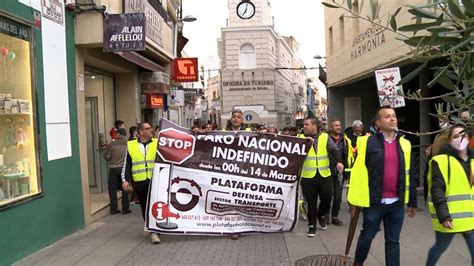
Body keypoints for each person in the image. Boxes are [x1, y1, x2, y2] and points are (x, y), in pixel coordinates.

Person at [348, 106, 417, 266]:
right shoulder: (367, 143)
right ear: (378, 123)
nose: (392, 119)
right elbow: (358, 173)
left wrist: (412, 201)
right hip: (374, 202)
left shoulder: (404, 143)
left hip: (396, 203)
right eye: (387, 116)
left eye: (393, 116)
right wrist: (354, 201)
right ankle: (358, 262)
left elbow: (410, 174)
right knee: (367, 236)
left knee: (393, 241)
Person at [425, 125, 473, 266]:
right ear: (449, 141)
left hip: (470, 219)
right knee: (439, 248)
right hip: (450, 218)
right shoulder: (441, 161)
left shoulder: (473, 161)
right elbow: (437, 190)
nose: (460, 139)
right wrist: (444, 215)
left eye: (463, 135)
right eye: (455, 136)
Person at [301, 117, 344, 237]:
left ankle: (321, 215)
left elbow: (334, 150)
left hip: (324, 175)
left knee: (327, 198)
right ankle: (312, 226)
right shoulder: (300, 139)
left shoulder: (325, 137)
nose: (304, 126)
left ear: (314, 126)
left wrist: (338, 162)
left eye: (306, 124)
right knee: (311, 202)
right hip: (308, 176)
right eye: (304, 124)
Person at [121, 122, 160, 244]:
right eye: (148, 129)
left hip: (154, 180)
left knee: (153, 205)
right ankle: (148, 225)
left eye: (151, 128)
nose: (151, 130)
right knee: (144, 205)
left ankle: (155, 232)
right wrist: (125, 180)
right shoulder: (131, 145)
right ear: (141, 132)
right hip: (139, 180)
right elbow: (126, 164)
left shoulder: (156, 143)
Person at [327, 118, 354, 226]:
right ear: (331, 127)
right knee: (328, 195)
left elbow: (349, 155)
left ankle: (335, 216)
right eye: (336, 125)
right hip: (326, 171)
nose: (338, 127)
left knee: (338, 195)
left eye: (339, 125)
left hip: (340, 172)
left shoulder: (345, 140)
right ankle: (325, 215)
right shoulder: (325, 138)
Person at [103, 128, 130, 215]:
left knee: (112, 189)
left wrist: (111, 160)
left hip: (113, 168)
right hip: (124, 168)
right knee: (125, 189)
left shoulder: (112, 144)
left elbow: (106, 156)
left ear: (118, 134)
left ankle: (114, 209)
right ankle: (125, 209)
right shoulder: (128, 144)